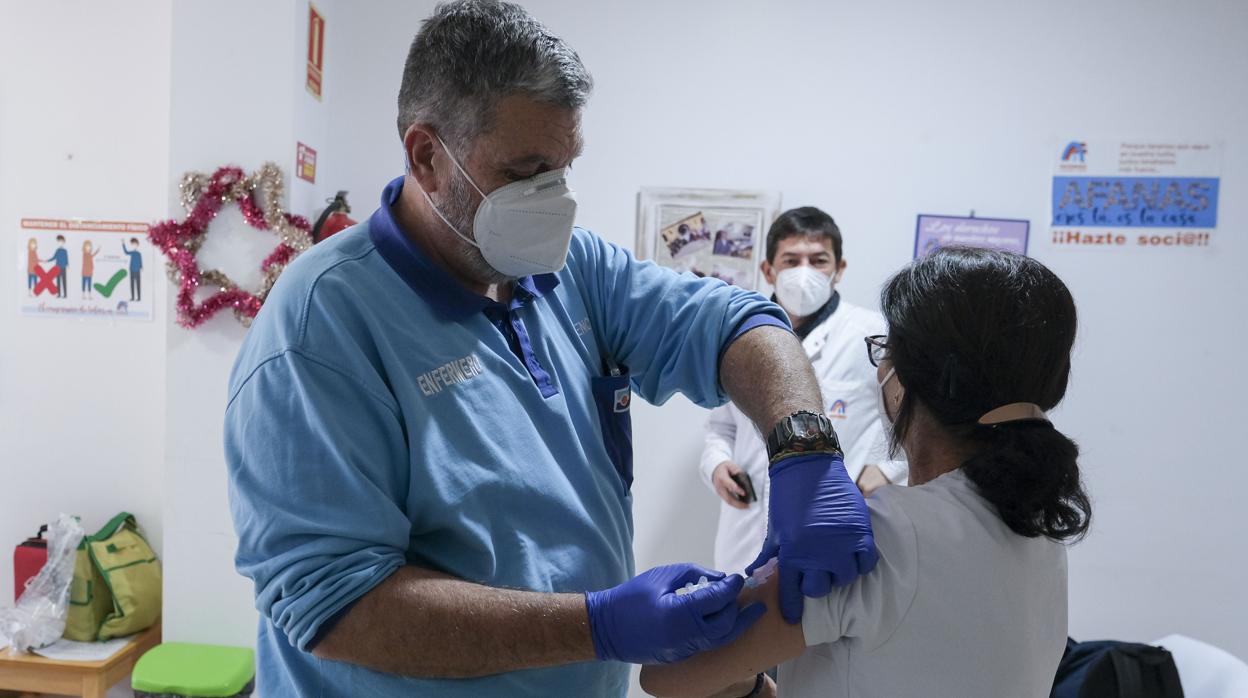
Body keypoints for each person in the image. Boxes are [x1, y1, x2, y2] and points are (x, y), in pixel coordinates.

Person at [224, 2, 875, 696]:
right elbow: (339, 608)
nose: (553, 200)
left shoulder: (568, 270)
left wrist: (804, 446)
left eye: (562, 169)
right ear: (426, 156)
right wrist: (597, 627)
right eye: (526, 170)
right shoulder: (322, 328)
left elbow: (735, 323)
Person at [643, 247, 1093, 698]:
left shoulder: (877, 536)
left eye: (885, 351)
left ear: (908, 379)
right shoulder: (1042, 526)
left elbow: (665, 675)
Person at [701, 207, 907, 575]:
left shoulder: (872, 336)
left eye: (818, 260)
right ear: (768, 270)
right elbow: (721, 426)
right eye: (792, 260)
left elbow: (913, 421)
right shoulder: (735, 332)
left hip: (833, 526)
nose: (804, 272)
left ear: (839, 269)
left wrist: (889, 471)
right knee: (738, 620)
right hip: (745, 529)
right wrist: (716, 464)